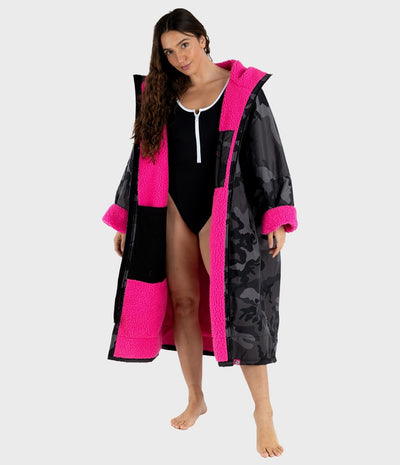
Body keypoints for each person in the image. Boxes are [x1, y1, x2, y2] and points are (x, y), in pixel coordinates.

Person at [103, 8, 298, 458]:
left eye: (184, 45)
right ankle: (196, 398)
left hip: (225, 210)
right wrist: (126, 216)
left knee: (241, 307)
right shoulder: (160, 94)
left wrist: (276, 214)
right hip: (172, 208)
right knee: (185, 303)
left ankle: (263, 411)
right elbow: (140, 157)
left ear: (203, 39)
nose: (179, 57)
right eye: (169, 52)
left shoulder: (242, 90)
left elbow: (268, 150)